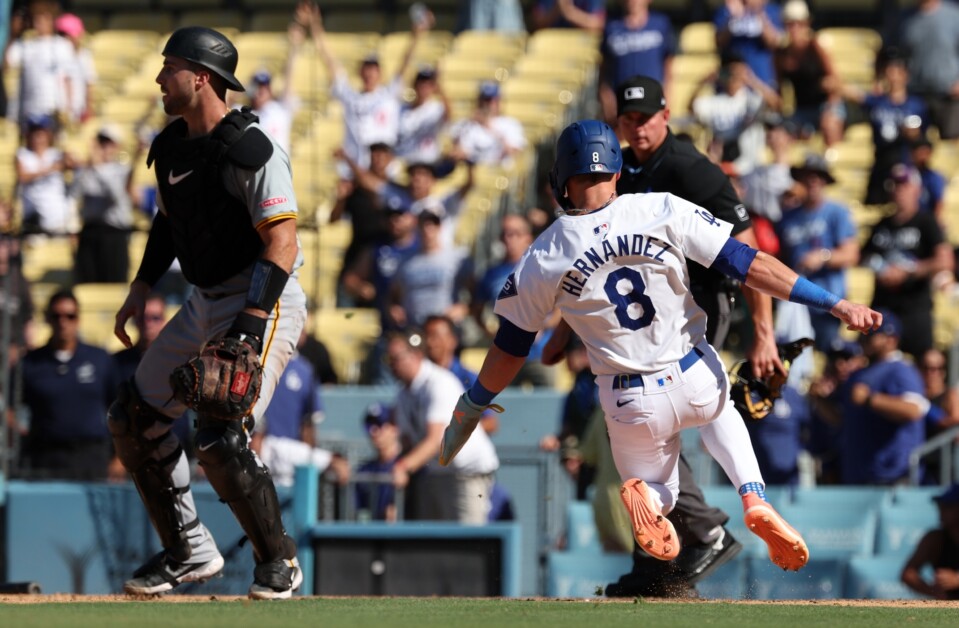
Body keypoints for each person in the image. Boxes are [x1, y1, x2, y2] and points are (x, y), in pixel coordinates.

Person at [439, 120, 881, 581]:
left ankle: (649, 501)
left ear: (561, 179)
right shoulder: (659, 207)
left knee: (657, 490)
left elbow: (510, 347)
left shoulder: (544, 254)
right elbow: (749, 264)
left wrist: (472, 404)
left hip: (630, 400)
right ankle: (754, 497)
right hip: (694, 372)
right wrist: (834, 302)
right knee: (720, 411)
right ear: (615, 171)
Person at [108, 27, 308, 600]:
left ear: (201, 76)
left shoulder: (251, 147)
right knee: (134, 418)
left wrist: (249, 322)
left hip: (262, 297)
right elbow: (171, 222)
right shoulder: (172, 145)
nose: (158, 79)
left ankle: (279, 563)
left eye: (168, 67)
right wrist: (143, 284)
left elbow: (283, 243)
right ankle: (189, 550)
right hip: (202, 299)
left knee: (220, 433)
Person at [601, 74, 783, 597]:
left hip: (701, 303)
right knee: (635, 417)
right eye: (627, 119)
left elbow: (748, 254)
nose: (636, 127)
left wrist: (763, 334)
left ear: (666, 114)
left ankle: (704, 531)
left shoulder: (689, 169)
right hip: (649, 314)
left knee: (654, 412)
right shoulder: (622, 169)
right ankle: (662, 565)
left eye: (644, 117)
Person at [386, 329, 499, 524]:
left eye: (396, 358)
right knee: (435, 543)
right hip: (438, 473)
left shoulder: (439, 382)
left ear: (416, 355)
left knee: (467, 542)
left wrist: (403, 466)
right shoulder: (403, 393)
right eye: (389, 359)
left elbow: (436, 440)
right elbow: (406, 443)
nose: (392, 365)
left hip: (468, 472)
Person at [309, 3, 428, 180]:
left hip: (384, 171)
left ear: (380, 73)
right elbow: (331, 62)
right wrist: (315, 26)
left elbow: (405, 63)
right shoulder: (350, 96)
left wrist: (416, 36)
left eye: (374, 68)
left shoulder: (388, 95)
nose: (370, 72)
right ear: (360, 71)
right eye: (366, 67)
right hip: (355, 170)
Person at [19, 289, 119, 480]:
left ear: (78, 319)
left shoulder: (99, 359)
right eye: (56, 316)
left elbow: (118, 408)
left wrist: (119, 457)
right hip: (46, 456)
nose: (63, 322)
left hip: (91, 455)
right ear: (47, 319)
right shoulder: (31, 363)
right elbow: (11, 407)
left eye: (69, 316)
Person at [860, 164, 953, 359]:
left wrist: (908, 271)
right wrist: (880, 267)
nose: (898, 189)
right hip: (884, 308)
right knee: (876, 362)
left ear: (917, 189)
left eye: (904, 184)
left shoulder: (927, 221)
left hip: (915, 309)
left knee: (922, 363)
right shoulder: (882, 224)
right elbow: (861, 256)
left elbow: (945, 261)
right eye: (894, 184)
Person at [776, 154, 860, 352]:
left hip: (828, 303)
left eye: (818, 176)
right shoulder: (787, 217)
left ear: (824, 181)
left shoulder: (836, 212)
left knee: (824, 354)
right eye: (808, 176)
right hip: (796, 301)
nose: (813, 181)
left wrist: (823, 257)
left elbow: (852, 254)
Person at [840, 310, 928, 485]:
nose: (864, 339)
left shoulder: (901, 369)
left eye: (871, 335)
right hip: (860, 474)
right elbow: (841, 419)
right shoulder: (861, 372)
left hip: (892, 476)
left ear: (891, 339)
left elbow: (914, 410)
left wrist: (870, 399)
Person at [841, 48, 928, 206]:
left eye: (897, 70)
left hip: (904, 162)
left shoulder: (916, 105)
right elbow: (849, 92)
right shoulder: (878, 102)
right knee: (875, 205)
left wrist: (912, 134)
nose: (893, 75)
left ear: (905, 74)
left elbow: (921, 138)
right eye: (890, 70)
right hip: (880, 163)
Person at [251, 351, 348, 488]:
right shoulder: (258, 364)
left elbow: (308, 426)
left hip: (290, 462)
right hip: (262, 457)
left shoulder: (304, 369)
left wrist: (310, 458)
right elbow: (260, 440)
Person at [689, 51, 782, 173]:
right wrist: (704, 82)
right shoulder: (714, 102)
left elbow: (776, 104)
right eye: (730, 73)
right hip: (722, 162)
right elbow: (691, 108)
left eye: (737, 74)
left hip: (750, 165)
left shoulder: (752, 99)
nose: (733, 78)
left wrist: (751, 80)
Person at [72, 124, 138, 284]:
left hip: (114, 233)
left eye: (108, 142)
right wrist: (89, 166)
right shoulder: (87, 169)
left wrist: (99, 167)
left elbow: (115, 195)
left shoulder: (122, 169)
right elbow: (75, 194)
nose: (104, 147)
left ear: (117, 146)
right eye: (101, 142)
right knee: (87, 282)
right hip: (90, 230)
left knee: (114, 282)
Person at [773, 0, 843, 145]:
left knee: (830, 124)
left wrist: (830, 108)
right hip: (802, 110)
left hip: (825, 105)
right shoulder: (780, 54)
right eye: (790, 24)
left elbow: (835, 82)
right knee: (779, 134)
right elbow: (779, 91)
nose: (795, 28)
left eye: (799, 23)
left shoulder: (816, 46)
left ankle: (832, 163)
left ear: (807, 23)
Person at [389, 208, 472, 329]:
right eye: (423, 225)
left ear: (440, 227)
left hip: (445, 327)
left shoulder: (457, 258)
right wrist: (394, 308)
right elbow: (393, 295)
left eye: (433, 224)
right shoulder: (404, 261)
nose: (427, 230)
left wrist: (463, 308)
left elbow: (475, 294)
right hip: (414, 328)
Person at [598, 0, 674, 125]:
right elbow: (603, 67)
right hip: (621, 100)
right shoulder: (611, 26)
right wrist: (605, 95)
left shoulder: (660, 24)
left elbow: (668, 66)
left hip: (651, 99)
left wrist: (667, 97)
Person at [4, 0, 75, 133]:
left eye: (43, 19)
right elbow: (8, 64)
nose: (39, 24)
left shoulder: (62, 46)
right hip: (29, 108)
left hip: (53, 107)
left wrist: (68, 108)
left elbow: (68, 79)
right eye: (36, 20)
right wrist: (13, 35)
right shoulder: (25, 45)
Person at [900, 0, 959, 140]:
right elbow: (895, 54)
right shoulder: (905, 19)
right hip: (915, 94)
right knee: (915, 144)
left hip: (949, 94)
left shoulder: (954, 15)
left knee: (952, 146)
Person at [15, 113, 73, 235]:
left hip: (57, 216)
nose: (37, 137)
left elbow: (74, 164)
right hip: (32, 217)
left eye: (40, 133)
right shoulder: (23, 154)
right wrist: (49, 169)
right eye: (34, 133)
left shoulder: (56, 154)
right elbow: (22, 177)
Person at [448, 81, 527, 168]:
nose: (487, 104)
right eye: (484, 100)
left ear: (498, 101)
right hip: (473, 171)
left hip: (499, 172)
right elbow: (456, 152)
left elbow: (513, 152)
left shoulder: (511, 124)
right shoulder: (466, 124)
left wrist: (488, 126)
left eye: (491, 100)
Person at [902, 483, 959, 600]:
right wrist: (932, 592)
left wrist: (957, 579)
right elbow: (908, 573)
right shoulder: (935, 539)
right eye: (940, 505)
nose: (941, 510)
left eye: (948, 506)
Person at [714, 0, 783, 89]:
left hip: (762, 78)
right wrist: (732, 18)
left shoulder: (771, 10)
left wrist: (758, 11)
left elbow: (774, 43)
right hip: (731, 80)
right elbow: (719, 42)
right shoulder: (726, 9)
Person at [355, 403, 401, 521]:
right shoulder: (364, 471)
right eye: (370, 426)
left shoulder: (409, 466)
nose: (374, 432)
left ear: (394, 428)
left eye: (380, 425)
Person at [395, 66, 450, 166]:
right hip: (404, 161)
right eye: (421, 84)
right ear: (415, 85)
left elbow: (448, 117)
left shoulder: (436, 108)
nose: (424, 88)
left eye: (428, 85)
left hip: (427, 163)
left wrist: (441, 91)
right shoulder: (403, 109)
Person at [54, 11, 95, 124]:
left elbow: (89, 84)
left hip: (77, 111)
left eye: (68, 34)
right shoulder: (53, 56)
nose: (64, 38)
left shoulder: (84, 57)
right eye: (61, 34)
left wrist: (88, 109)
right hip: (58, 109)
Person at [531, 0, 606, 33]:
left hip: (582, 43)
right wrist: (555, 11)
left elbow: (598, 24)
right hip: (552, 43)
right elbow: (537, 23)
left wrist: (569, 12)